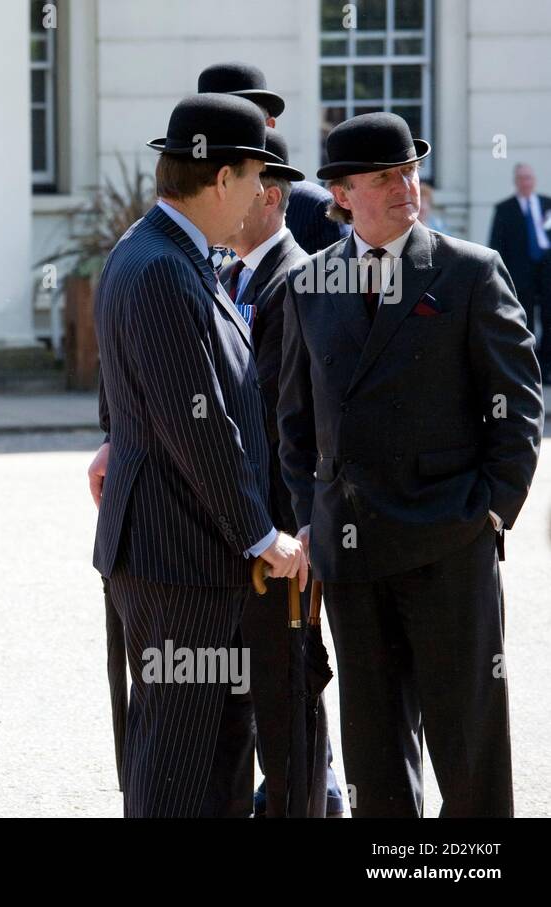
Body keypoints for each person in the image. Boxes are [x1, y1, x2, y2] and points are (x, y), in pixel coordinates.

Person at [279, 112, 543, 816]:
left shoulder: (468, 272)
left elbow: (518, 406)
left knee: (469, 741)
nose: (407, 186)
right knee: (374, 751)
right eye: (386, 176)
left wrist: (487, 512)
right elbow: (295, 423)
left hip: (448, 544)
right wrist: (311, 519)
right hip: (352, 555)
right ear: (342, 194)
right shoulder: (309, 286)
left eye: (411, 170)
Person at [92, 93, 306, 817]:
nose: (260, 196)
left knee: (213, 763)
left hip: (185, 556)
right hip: (176, 558)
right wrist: (259, 531)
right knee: (176, 772)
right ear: (221, 180)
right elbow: (199, 424)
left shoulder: (166, 254)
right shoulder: (160, 267)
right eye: (254, 178)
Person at [222, 128, 343, 817]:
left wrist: (298, 527)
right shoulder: (220, 272)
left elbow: (292, 418)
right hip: (239, 535)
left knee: (290, 717)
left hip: (279, 543)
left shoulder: (304, 280)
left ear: (268, 196)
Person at [198, 62, 350, 255]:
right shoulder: (192, 207)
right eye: (215, 127)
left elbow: (341, 281)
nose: (228, 141)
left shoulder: (313, 208)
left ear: (268, 126)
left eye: (241, 125)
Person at [488, 163, 551, 377]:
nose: (526, 182)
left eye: (529, 178)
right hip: (519, 273)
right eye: (522, 178)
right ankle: (528, 366)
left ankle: (547, 367)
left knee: (549, 317)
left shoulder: (547, 204)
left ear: (534, 180)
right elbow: (496, 244)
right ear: (516, 181)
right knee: (525, 318)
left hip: (546, 270)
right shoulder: (505, 208)